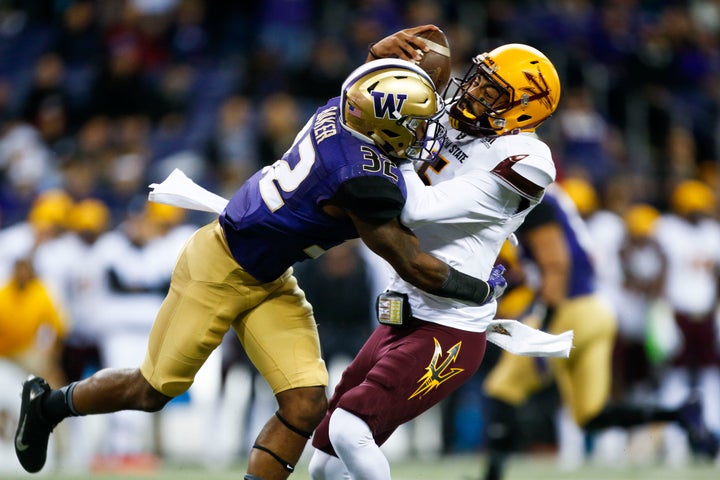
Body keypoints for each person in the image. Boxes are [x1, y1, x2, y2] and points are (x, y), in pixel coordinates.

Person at [14, 59, 504, 480]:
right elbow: (414, 264)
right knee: (151, 390)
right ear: (385, 127)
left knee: (307, 404)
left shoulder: (339, 109)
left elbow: (376, 72)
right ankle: (47, 406)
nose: (425, 134)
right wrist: (479, 289)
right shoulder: (361, 180)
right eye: (415, 125)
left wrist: (418, 50)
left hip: (270, 277)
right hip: (218, 267)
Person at [308, 31, 567, 479]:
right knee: (324, 465)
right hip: (403, 309)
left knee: (351, 431)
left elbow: (416, 207)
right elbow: (371, 111)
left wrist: (400, 144)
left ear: (525, 107)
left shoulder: (523, 156)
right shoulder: (456, 126)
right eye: (477, 80)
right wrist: (380, 68)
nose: (473, 93)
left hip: (449, 326)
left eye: (492, 91)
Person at [480, 184, 719, 480]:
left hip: (568, 308)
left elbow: (557, 265)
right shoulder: (555, 198)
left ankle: (491, 476)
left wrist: (544, 323)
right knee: (590, 415)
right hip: (596, 309)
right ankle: (679, 414)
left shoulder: (536, 199)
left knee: (501, 389)